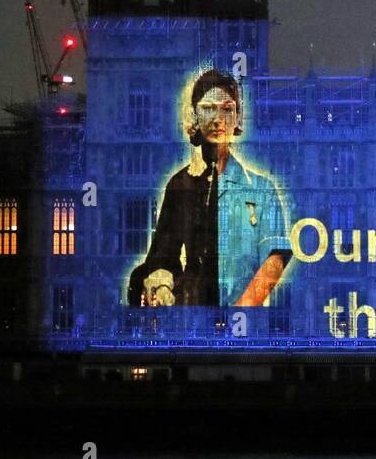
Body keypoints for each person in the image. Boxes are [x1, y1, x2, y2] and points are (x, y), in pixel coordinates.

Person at [126, 69, 293, 308]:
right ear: (194, 115)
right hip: (191, 316)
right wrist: (162, 286)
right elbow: (163, 254)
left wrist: (240, 313)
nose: (217, 118)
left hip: (242, 323)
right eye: (208, 108)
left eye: (226, 109)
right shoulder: (179, 184)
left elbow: (275, 259)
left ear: (237, 118)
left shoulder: (261, 189)